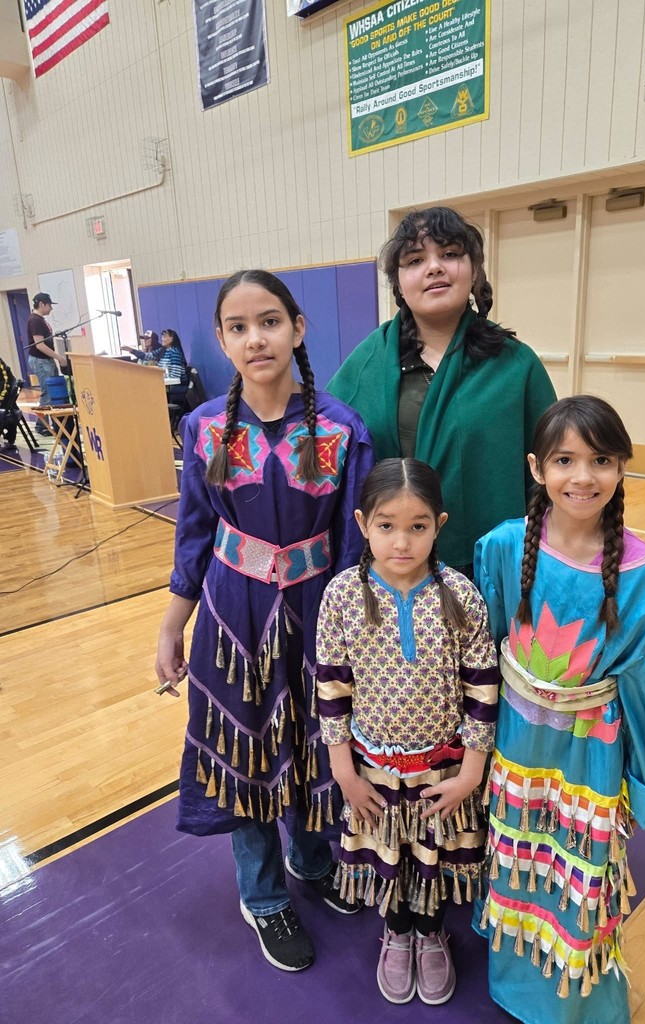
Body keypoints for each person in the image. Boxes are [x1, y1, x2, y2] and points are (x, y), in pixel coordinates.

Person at [154, 270, 374, 974]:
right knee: (247, 752)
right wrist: (170, 628)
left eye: (270, 321)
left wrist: (352, 640)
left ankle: (311, 860)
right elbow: (192, 534)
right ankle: (263, 893)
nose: (257, 339)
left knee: (313, 742)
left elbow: (353, 544)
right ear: (221, 339)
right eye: (240, 327)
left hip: (316, 613)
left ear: (298, 329)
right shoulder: (204, 428)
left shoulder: (341, 428)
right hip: (232, 613)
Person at [473, 395, 645, 1024]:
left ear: (621, 469)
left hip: (591, 753)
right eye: (565, 460)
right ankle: (512, 983)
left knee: (579, 877)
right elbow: (480, 651)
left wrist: (642, 781)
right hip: (515, 741)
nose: (582, 476)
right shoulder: (504, 547)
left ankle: (575, 1005)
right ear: (538, 468)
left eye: (600, 460)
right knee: (517, 858)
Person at [316, 458, 499, 1006]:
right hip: (373, 772)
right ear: (361, 523)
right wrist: (343, 770)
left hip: (445, 772)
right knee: (389, 856)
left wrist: (471, 772)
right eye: (386, 525)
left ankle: (431, 933)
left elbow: (483, 688)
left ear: (438, 526)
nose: (402, 541)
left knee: (435, 858)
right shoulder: (342, 595)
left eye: (417, 526)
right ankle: (396, 932)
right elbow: (330, 690)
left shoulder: (461, 595)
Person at [328, 206, 557, 577]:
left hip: (487, 566)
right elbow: (324, 454)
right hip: (389, 562)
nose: (434, 267)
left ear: (474, 270)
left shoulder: (516, 365)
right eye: (415, 259)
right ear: (398, 283)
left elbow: (549, 471)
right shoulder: (366, 363)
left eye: (450, 254)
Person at [26, 292, 62, 434]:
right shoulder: (35, 320)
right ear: (41, 304)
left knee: (52, 392)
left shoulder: (40, 320)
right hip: (40, 360)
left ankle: (50, 422)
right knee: (47, 393)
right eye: (49, 305)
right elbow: (39, 345)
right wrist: (59, 357)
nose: (51, 309)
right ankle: (42, 425)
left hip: (46, 360)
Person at [158, 328, 189, 403]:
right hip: (168, 385)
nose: (162, 339)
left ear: (172, 338)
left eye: (165, 337)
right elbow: (148, 355)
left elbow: (175, 375)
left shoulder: (175, 352)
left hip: (178, 386)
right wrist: (132, 351)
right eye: (162, 337)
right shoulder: (164, 351)